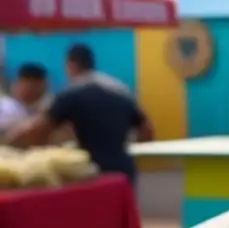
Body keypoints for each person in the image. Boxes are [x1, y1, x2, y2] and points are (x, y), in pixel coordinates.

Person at [9, 43, 154, 183]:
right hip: (123, 170)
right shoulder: (118, 89)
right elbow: (147, 129)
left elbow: (40, 130)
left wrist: (16, 149)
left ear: (71, 65)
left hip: (89, 171)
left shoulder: (72, 93)